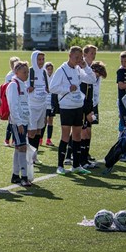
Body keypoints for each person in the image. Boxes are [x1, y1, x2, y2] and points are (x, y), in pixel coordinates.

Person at [48, 46, 88, 176]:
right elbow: (52, 88)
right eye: (76, 57)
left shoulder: (79, 69)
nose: (79, 60)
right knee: (65, 136)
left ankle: (76, 165)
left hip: (78, 106)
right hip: (66, 107)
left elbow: (92, 79)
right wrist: (67, 88)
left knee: (77, 136)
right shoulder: (61, 70)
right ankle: (60, 166)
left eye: (80, 58)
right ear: (69, 56)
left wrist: (86, 67)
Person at [6, 61, 33, 187]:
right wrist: (19, 123)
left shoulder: (23, 84)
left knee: (19, 147)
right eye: (24, 72)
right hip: (18, 122)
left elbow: (26, 105)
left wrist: (28, 122)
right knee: (22, 147)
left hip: (24, 121)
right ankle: (24, 177)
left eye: (27, 72)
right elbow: (13, 105)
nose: (26, 74)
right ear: (16, 72)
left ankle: (15, 175)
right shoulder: (13, 85)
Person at [26, 51, 50, 169]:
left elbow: (48, 87)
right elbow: (23, 87)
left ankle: (34, 156)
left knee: (39, 131)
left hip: (42, 106)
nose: (41, 62)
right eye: (39, 59)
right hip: (32, 106)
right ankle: (28, 157)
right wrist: (28, 89)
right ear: (34, 60)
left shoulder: (44, 72)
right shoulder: (29, 72)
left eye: (42, 59)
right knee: (31, 132)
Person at [3, 56, 21, 146]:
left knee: (17, 121)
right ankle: (7, 140)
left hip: (19, 100)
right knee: (11, 121)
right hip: (10, 100)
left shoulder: (20, 74)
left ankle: (14, 140)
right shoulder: (9, 76)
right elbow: (6, 88)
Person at [43, 61, 57, 147]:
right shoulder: (43, 77)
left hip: (52, 101)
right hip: (44, 101)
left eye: (51, 69)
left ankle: (48, 139)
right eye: (48, 69)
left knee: (50, 120)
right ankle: (40, 138)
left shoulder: (54, 77)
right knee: (44, 120)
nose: (50, 71)